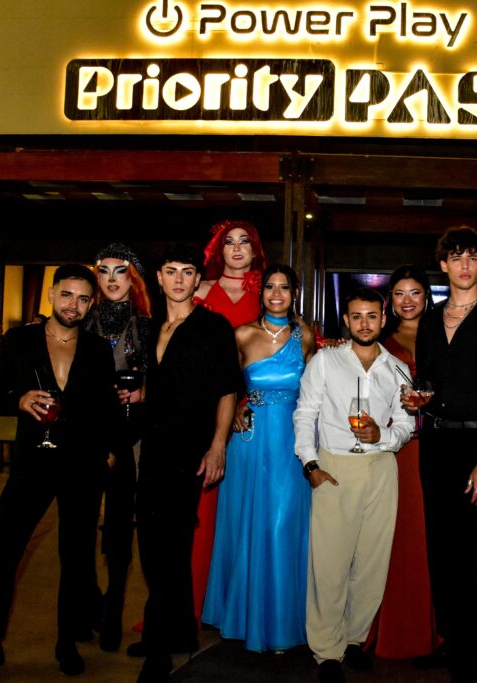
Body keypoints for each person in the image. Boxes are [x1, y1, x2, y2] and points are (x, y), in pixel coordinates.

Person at [0, 264, 117, 682]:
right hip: (32, 465)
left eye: (83, 298)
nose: (73, 305)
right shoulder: (20, 340)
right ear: (51, 294)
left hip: (82, 468)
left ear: (91, 304)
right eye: (67, 295)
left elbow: (105, 410)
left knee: (76, 560)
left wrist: (109, 452)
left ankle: (66, 642)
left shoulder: (98, 349)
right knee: (2, 554)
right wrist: (19, 399)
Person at [410, 226, 477, 682]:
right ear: (444, 265)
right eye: (456, 257)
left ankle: (467, 660)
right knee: (439, 551)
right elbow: (428, 380)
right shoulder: (430, 319)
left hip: (475, 446)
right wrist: (419, 398)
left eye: (472, 257)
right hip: (434, 443)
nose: (465, 265)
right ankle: (450, 642)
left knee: (466, 554)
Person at [294, 287, 415, 683]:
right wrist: (310, 464)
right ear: (346, 320)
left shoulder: (398, 368)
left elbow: (407, 424)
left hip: (381, 468)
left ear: (383, 318)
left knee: (371, 563)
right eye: (357, 316)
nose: (365, 323)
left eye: (371, 316)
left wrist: (383, 436)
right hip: (334, 466)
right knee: (329, 564)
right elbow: (305, 413)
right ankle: (326, 651)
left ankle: (353, 639)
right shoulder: (325, 361)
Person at [132, 246, 239, 683]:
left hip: (190, 451)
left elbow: (227, 389)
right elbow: (155, 383)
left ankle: (159, 648)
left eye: (187, 272)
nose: (178, 279)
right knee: (151, 542)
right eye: (171, 271)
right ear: (159, 278)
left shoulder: (214, 327)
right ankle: (179, 631)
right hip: (151, 447)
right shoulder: (149, 327)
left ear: (198, 280)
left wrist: (218, 446)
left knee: (170, 545)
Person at [201, 264, 316, 651]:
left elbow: (316, 391)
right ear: (261, 292)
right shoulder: (242, 334)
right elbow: (224, 386)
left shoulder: (305, 337)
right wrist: (235, 407)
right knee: (247, 522)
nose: (276, 294)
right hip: (249, 441)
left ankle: (283, 622)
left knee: (283, 524)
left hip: (290, 442)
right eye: (270, 287)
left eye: (284, 287)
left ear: (294, 294)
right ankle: (242, 617)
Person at [190, 220, 267, 624]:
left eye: (245, 242)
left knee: (243, 512)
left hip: (252, 414)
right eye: (229, 243)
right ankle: (193, 601)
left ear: (255, 250)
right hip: (204, 408)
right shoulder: (199, 290)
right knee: (201, 512)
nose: (237, 249)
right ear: (219, 251)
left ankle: (235, 604)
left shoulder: (268, 291)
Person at [365, 265, 442, 659]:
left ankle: (428, 631)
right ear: (389, 301)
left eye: (415, 292)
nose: (407, 301)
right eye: (399, 293)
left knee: (429, 538)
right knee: (391, 536)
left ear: (427, 296)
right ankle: (383, 629)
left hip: (438, 444)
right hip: (395, 450)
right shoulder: (378, 341)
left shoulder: (444, 334)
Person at [84, 242, 152, 652]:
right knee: (80, 521)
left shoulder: (147, 324)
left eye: (120, 271)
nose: (111, 279)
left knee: (120, 523)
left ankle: (113, 605)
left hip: (132, 435)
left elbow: (165, 375)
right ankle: (90, 602)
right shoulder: (82, 319)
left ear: (134, 278)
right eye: (103, 271)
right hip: (87, 432)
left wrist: (144, 391)